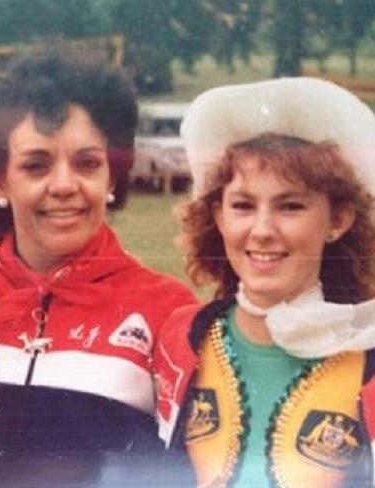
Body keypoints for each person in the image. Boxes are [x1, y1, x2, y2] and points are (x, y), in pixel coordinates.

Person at [0, 53, 197, 487]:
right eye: (36, 165)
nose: (64, 185)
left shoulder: (170, 311)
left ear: (112, 176)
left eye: (86, 163)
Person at [154, 77, 375, 487]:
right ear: (218, 216)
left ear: (338, 221)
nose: (262, 230)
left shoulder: (367, 357)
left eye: (290, 206)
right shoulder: (180, 339)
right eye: (242, 206)